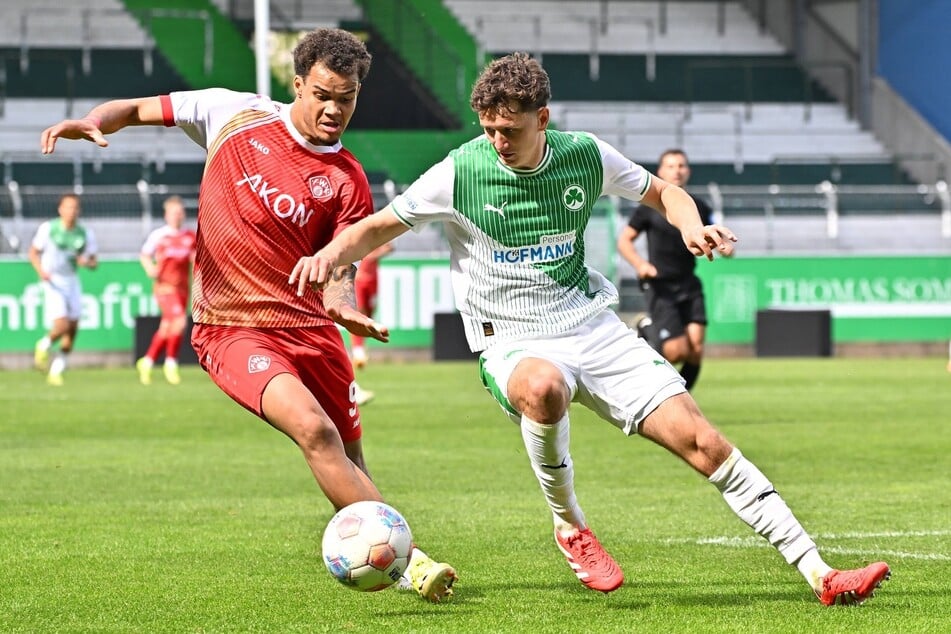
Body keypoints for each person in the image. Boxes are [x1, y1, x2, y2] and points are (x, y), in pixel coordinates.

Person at [292, 52, 890, 606]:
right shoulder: (459, 172)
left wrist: (689, 226)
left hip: (591, 325)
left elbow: (664, 192)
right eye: (489, 128)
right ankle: (572, 527)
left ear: (542, 118)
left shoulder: (584, 154)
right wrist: (329, 259)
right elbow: (374, 228)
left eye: (511, 129)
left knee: (705, 444)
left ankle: (821, 574)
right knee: (544, 388)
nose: (498, 141)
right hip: (511, 339)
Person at [39, 27, 455, 602]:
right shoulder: (231, 113)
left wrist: (344, 308)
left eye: (348, 98)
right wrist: (96, 120)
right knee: (314, 429)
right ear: (298, 82)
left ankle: (390, 554)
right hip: (231, 327)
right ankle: (410, 563)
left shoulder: (348, 180)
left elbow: (339, 271)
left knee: (350, 452)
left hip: (313, 330)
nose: (335, 110)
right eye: (324, 95)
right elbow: (136, 108)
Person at [616, 149, 712, 391]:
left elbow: (706, 234)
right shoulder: (649, 207)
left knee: (696, 349)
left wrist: (722, 247)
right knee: (677, 350)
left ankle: (682, 400)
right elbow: (624, 240)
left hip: (689, 282)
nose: (676, 170)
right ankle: (645, 328)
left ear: (688, 171)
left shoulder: (698, 206)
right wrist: (641, 265)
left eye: (681, 165)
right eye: (670, 166)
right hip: (660, 284)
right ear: (660, 171)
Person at [29, 193, 98, 386]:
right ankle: (43, 345)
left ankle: (57, 370)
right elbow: (33, 253)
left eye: (75, 207)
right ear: (60, 209)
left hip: (71, 281)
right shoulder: (48, 229)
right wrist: (41, 271)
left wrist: (87, 262)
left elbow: (93, 261)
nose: (71, 211)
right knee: (62, 325)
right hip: (53, 281)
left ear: (79, 210)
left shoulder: (85, 233)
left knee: (73, 329)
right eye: (68, 207)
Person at [136, 195, 197, 386]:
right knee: (179, 323)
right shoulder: (159, 235)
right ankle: (171, 363)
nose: (177, 216)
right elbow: (145, 255)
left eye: (180, 212)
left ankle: (146, 362)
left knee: (166, 328)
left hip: (182, 289)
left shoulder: (190, 236)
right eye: (173, 213)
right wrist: (149, 268)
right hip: (164, 288)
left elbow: (195, 260)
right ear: (166, 215)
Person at [350, 239, 394, 406]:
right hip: (360, 280)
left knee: (369, 316)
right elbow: (366, 256)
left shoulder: (377, 232)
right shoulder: (360, 232)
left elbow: (389, 247)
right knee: (360, 314)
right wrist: (379, 253)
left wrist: (382, 249)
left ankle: (361, 351)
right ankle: (358, 351)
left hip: (373, 280)